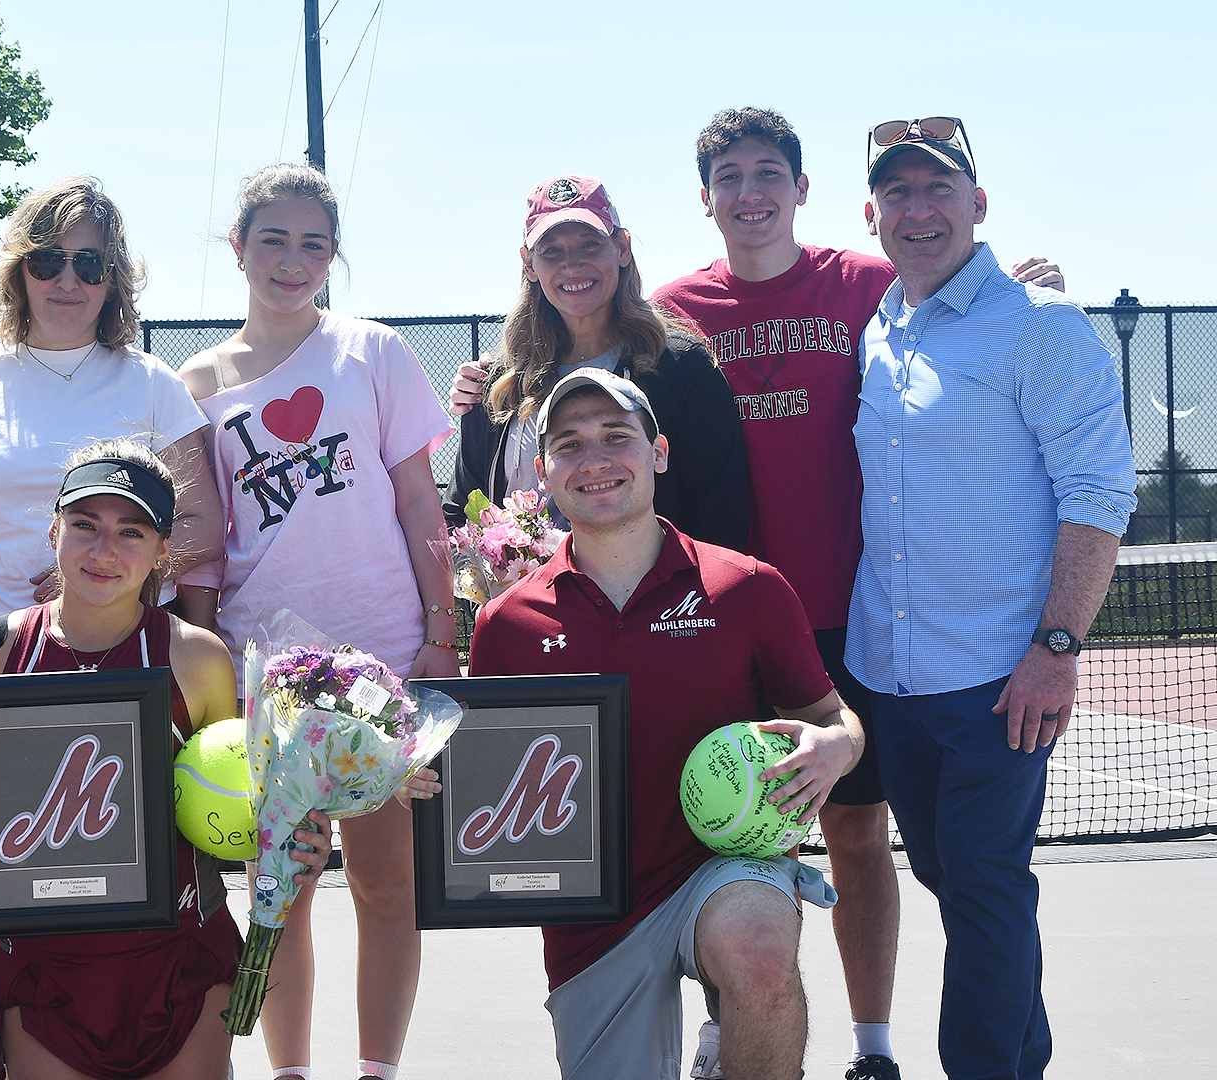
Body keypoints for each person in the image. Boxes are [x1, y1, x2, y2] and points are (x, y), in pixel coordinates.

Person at [648, 107, 1068, 1080]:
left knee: (854, 832)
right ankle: (731, 1033)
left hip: (859, 622)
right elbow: (584, 363)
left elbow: (970, 297)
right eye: (730, 178)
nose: (750, 194)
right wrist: (484, 390)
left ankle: (871, 1049)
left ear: (802, 190)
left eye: (769, 173)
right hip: (722, 623)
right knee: (728, 834)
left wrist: (1031, 287)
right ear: (706, 199)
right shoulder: (670, 314)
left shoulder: (873, 284)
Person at [470, 367, 862, 1080]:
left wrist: (835, 746)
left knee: (759, 947)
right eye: (570, 444)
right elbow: (490, 792)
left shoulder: (746, 587)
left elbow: (833, 720)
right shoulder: (506, 625)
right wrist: (433, 790)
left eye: (617, 437)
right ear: (543, 469)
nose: (594, 460)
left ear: (659, 453)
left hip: (723, 865)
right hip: (593, 915)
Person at [850, 116, 1134, 1080]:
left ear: (980, 204)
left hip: (1000, 682)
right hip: (889, 679)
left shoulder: (1042, 326)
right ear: (872, 213)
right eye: (899, 192)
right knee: (958, 885)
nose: (918, 210)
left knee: (981, 888)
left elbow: (1098, 495)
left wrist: (1057, 648)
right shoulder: (878, 329)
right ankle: (1024, 1058)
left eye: (939, 190)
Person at [0, 439, 337, 1080]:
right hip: (40, 964)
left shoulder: (196, 659)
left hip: (177, 960)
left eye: (131, 532)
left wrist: (290, 835)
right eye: (85, 526)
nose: (103, 550)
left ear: (162, 553)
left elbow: (231, 805)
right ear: (54, 529)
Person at [176, 163, 455, 1080]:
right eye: (273, 241)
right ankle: (290, 1072)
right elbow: (207, 545)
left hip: (378, 654)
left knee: (384, 882)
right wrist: (211, 670)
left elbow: (421, 502)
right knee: (281, 888)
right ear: (237, 248)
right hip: (271, 670)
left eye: (313, 244)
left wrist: (439, 635)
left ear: (334, 254)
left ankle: (378, 1069)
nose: (292, 262)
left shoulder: (373, 352)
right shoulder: (200, 380)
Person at [0, 176, 222, 644]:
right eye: (46, 261)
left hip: (121, 639)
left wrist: (98, 578)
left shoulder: (152, 383)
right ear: (19, 270)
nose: (67, 282)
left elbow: (203, 526)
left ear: (113, 278)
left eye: (89, 264)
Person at [444, 175, 747, 553]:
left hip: (654, 606)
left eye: (590, 244)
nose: (572, 264)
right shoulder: (498, 384)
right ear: (528, 263)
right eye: (551, 250)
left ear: (622, 248)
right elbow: (461, 512)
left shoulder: (679, 367)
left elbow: (721, 512)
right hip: (529, 608)